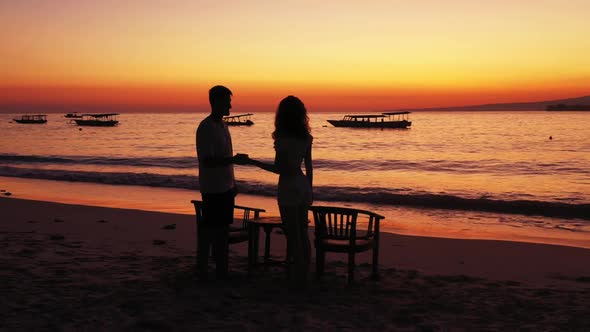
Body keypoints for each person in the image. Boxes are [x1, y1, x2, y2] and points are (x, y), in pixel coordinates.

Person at [247, 96, 313, 287]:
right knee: (302, 232)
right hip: (302, 185)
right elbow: (308, 167)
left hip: (288, 186)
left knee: (293, 234)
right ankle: (304, 273)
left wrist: (253, 162)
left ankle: (298, 277)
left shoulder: (282, 139)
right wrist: (310, 190)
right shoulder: (306, 138)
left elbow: (280, 169)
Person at [196, 85, 248, 281]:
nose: (230, 106)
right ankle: (209, 270)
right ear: (216, 102)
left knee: (223, 229)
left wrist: (232, 183)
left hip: (226, 188)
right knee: (213, 231)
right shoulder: (206, 127)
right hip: (212, 189)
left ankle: (221, 270)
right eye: (227, 102)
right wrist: (233, 160)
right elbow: (207, 161)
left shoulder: (224, 126)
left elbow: (225, 158)